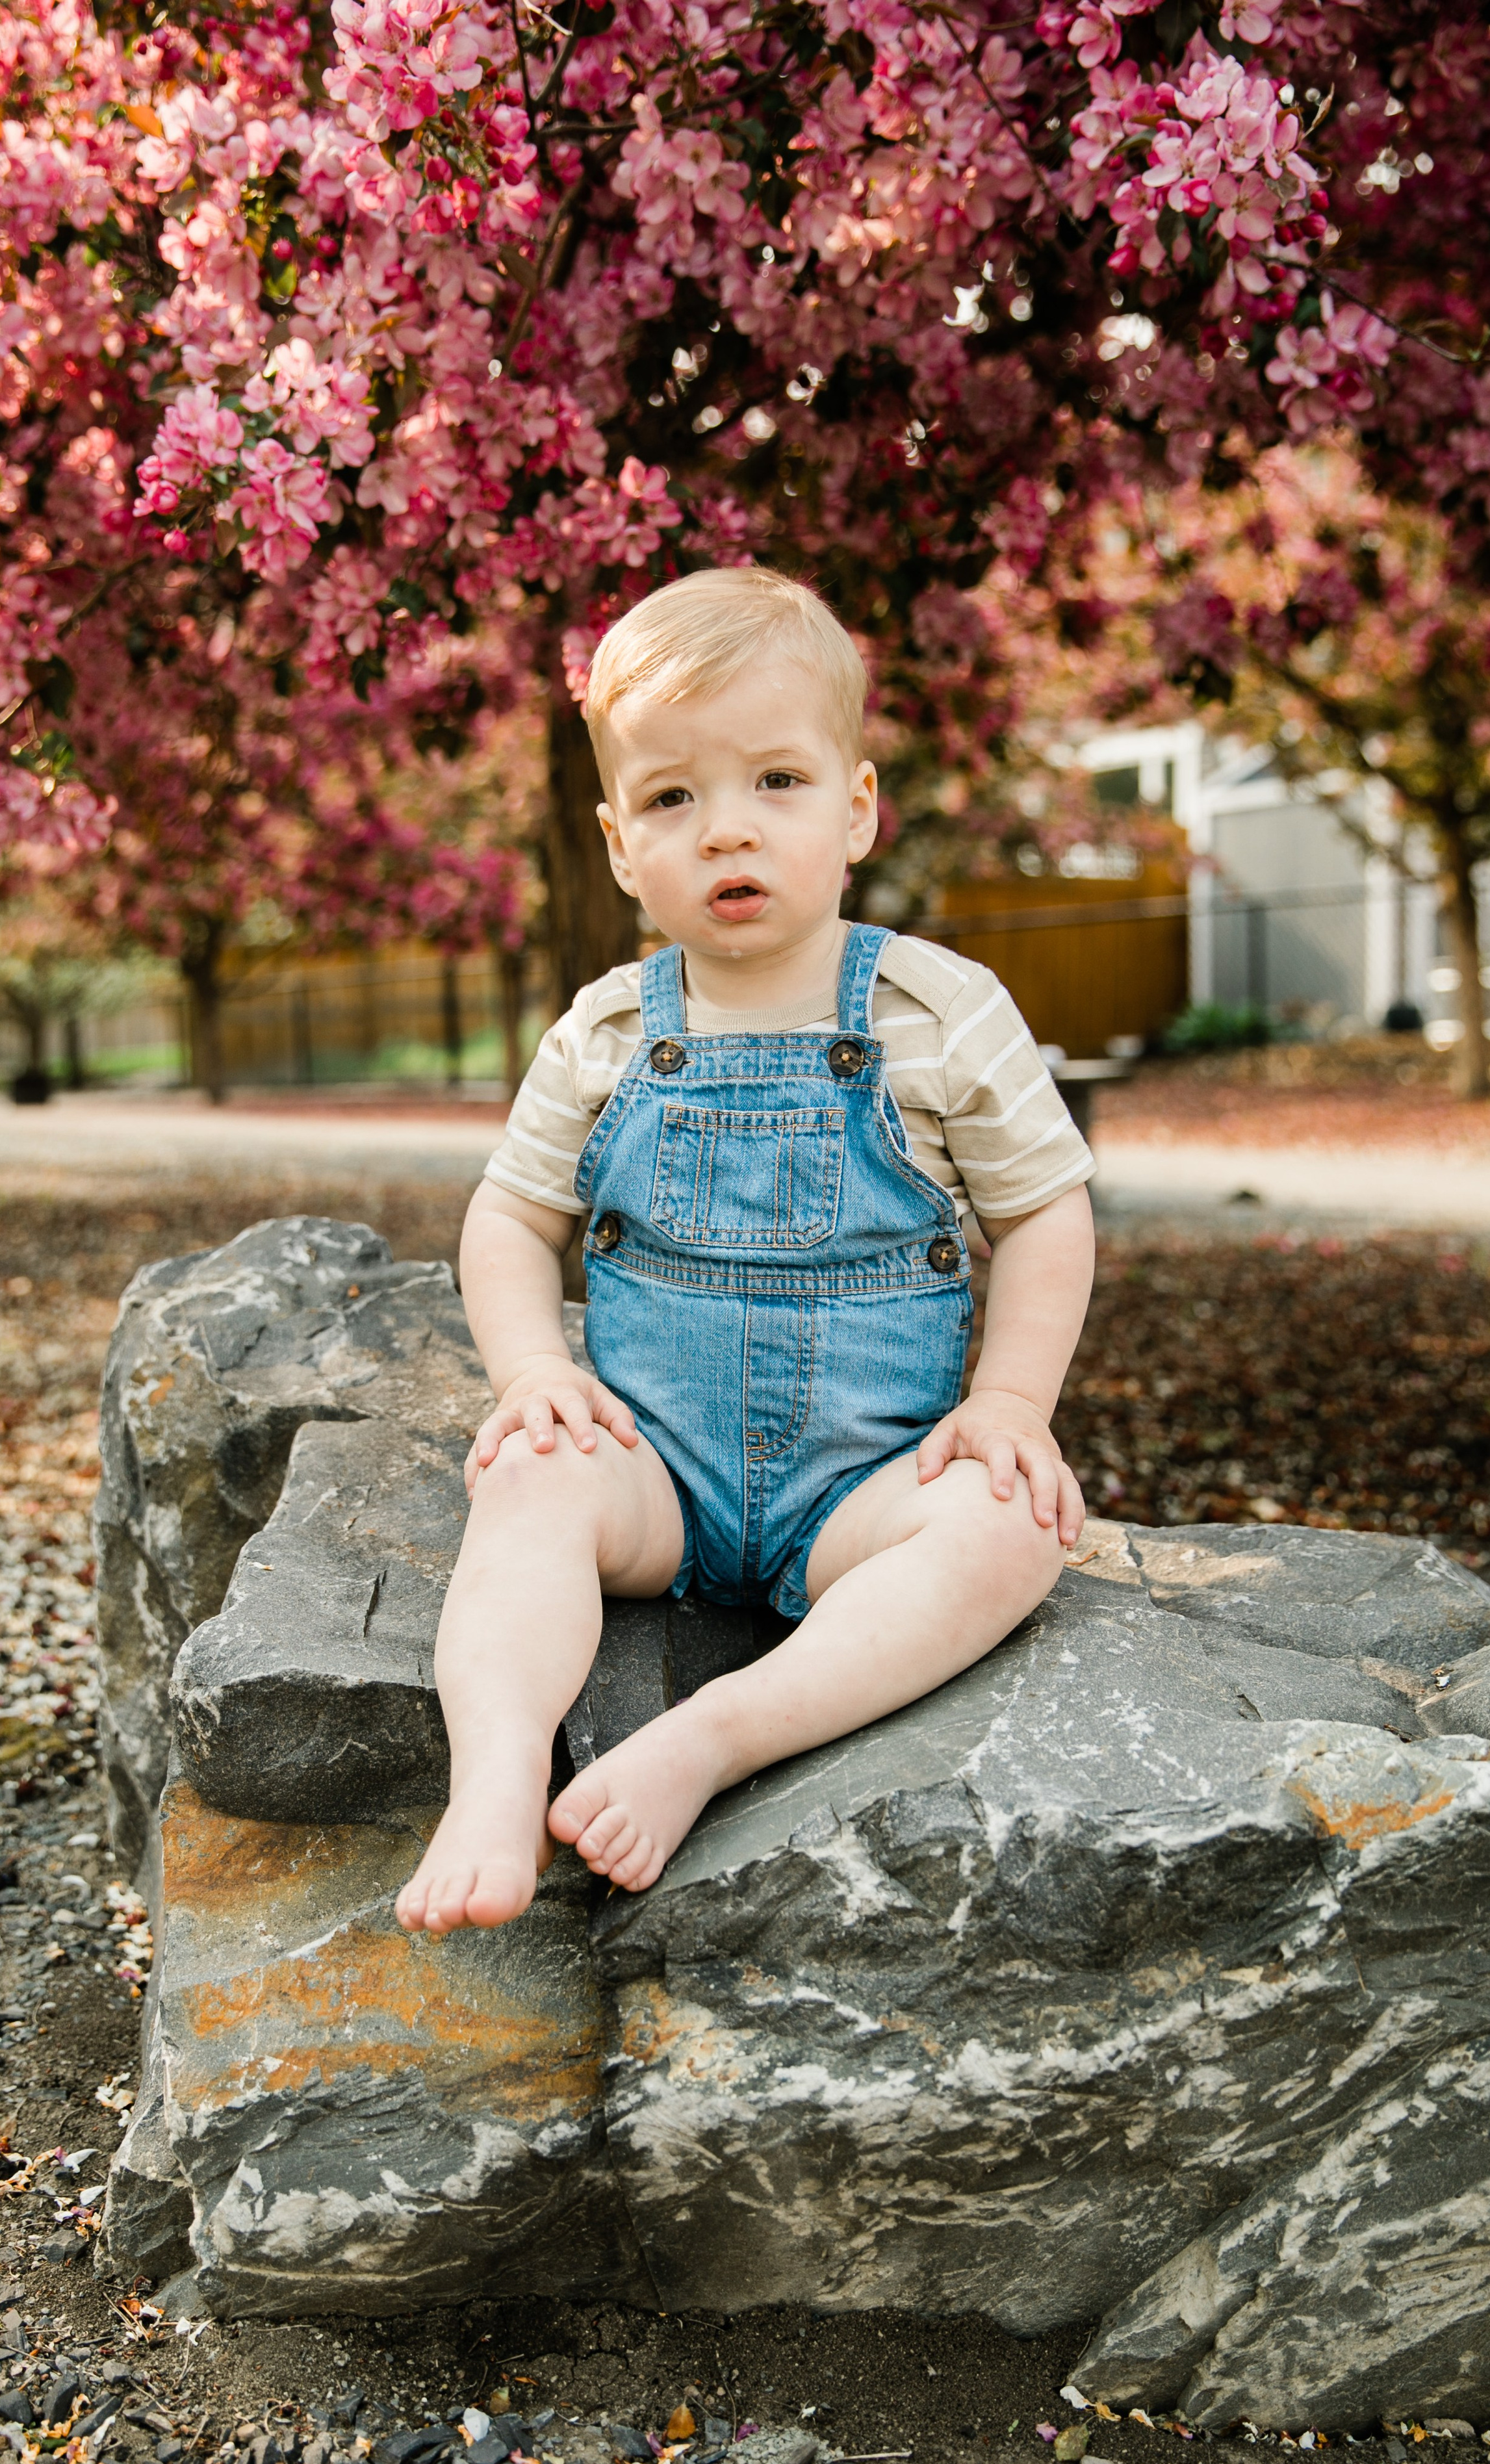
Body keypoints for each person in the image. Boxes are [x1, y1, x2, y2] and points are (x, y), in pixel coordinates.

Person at [397, 567, 1096, 1936]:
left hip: (867, 1484)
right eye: (671, 798)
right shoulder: (605, 1032)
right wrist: (532, 1373)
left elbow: (1043, 1213)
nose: (727, 830)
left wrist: (1009, 1406)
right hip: (652, 1475)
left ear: (854, 807)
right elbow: (508, 1218)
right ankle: (492, 1775)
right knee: (528, 1486)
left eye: (776, 781)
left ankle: (719, 1734)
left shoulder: (937, 1010)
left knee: (1009, 1533)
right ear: (615, 843)